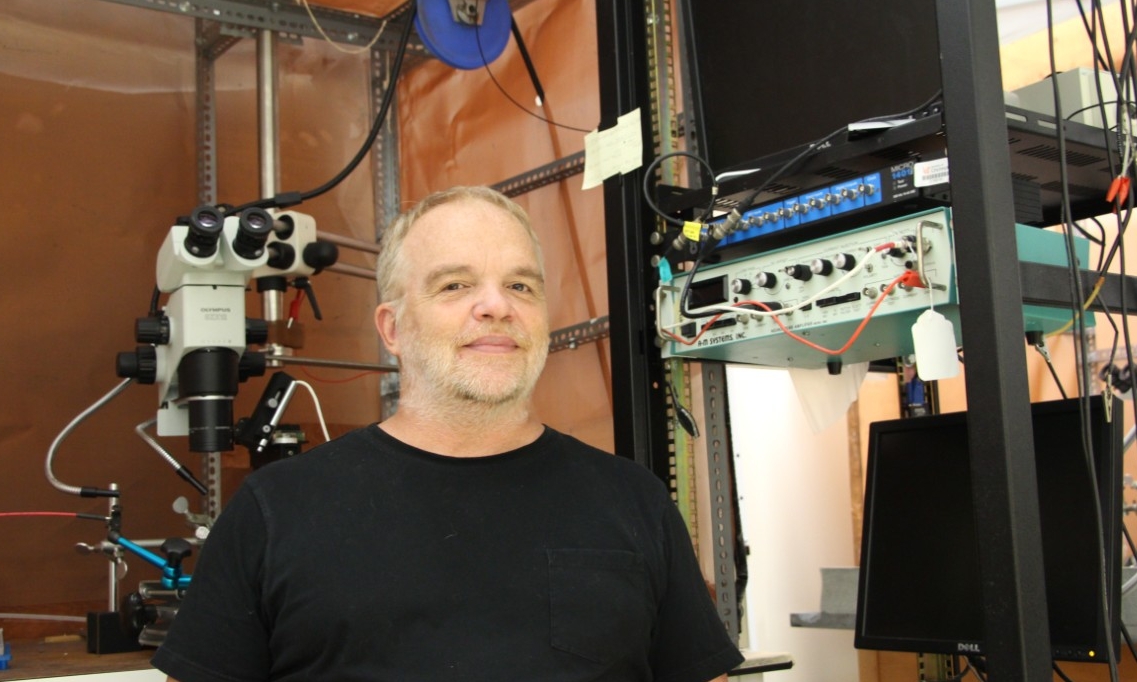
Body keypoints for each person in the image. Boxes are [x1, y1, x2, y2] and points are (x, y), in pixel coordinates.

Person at [152, 186, 744, 682]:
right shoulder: (275, 511)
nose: (496, 306)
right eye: (455, 285)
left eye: (521, 286)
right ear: (393, 328)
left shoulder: (633, 501)